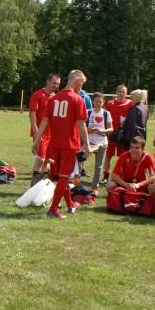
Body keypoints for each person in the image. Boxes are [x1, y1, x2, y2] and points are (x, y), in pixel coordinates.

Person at [34, 70, 90, 219]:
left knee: (60, 177)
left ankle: (70, 204)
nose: (81, 87)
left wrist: (36, 139)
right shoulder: (77, 99)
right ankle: (53, 210)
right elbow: (81, 124)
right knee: (64, 177)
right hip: (69, 145)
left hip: (54, 144)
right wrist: (88, 144)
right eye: (82, 84)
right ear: (77, 82)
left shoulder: (53, 98)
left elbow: (44, 121)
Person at [29, 74, 61, 185]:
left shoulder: (56, 98)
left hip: (52, 134)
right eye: (54, 83)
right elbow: (32, 115)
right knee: (40, 160)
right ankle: (33, 187)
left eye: (57, 84)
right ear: (47, 81)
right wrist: (36, 132)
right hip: (40, 133)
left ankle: (40, 186)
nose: (55, 85)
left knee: (48, 161)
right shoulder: (37, 95)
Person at [103, 85, 132, 182]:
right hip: (111, 133)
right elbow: (105, 118)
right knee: (108, 155)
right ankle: (105, 175)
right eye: (119, 91)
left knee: (122, 156)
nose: (121, 93)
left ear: (126, 93)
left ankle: (120, 175)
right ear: (116, 92)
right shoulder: (110, 103)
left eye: (123, 92)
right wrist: (106, 130)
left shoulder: (130, 104)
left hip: (122, 135)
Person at [87, 93, 112, 190]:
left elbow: (111, 129)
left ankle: (94, 188)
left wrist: (103, 131)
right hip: (89, 142)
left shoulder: (106, 113)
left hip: (102, 143)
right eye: (96, 101)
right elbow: (81, 128)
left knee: (98, 166)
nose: (98, 103)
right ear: (93, 101)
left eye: (100, 102)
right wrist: (89, 130)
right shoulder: (88, 112)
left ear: (103, 102)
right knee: (79, 162)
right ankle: (76, 184)